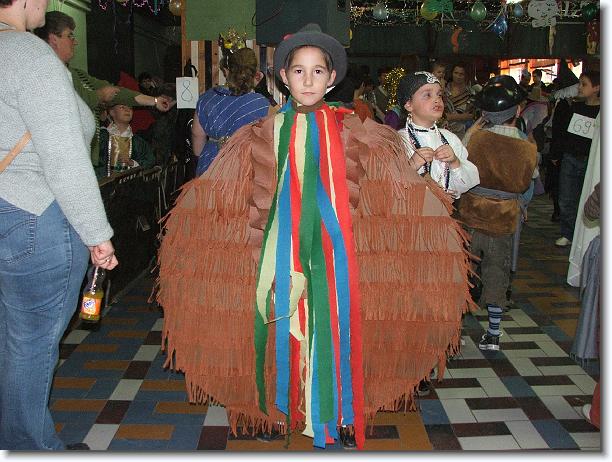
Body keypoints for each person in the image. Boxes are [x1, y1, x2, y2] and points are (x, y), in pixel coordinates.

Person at [156, 23, 474, 450]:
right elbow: (231, 190)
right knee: (277, 327)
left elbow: (386, 187)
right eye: (299, 71)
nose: (308, 80)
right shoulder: (259, 133)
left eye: (318, 71)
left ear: (332, 77)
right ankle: (278, 409)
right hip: (277, 253)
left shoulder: (358, 131)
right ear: (283, 78)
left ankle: (344, 411)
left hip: (339, 254)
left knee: (341, 327)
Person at [0, 0, 118, 450]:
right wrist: (97, 235)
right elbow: (64, 156)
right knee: (31, 345)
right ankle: (29, 448)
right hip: (33, 213)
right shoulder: (29, 54)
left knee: (10, 340)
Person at [33, 11, 173, 168]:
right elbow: (69, 107)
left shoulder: (76, 74)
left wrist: (154, 100)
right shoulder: (43, 74)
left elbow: (117, 93)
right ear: (54, 39)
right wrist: (98, 96)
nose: (75, 41)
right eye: (70, 36)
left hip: (80, 160)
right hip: (61, 161)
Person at [458, 75, 537, 351]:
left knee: (464, 271)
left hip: (470, 216)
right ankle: (492, 334)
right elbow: (529, 186)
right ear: (518, 110)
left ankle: (456, 330)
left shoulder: (475, 139)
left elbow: (460, 167)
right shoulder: (527, 147)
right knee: (497, 273)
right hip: (503, 221)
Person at [397, 71, 479, 198]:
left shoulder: (449, 138)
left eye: (439, 95)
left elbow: (465, 184)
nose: (436, 100)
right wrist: (411, 166)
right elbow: (385, 186)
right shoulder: (398, 141)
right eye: (427, 95)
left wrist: (455, 162)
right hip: (410, 209)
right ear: (409, 104)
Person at [191, 46, 270, 176]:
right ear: (253, 73)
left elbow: (197, 134)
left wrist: (201, 158)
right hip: (245, 168)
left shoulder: (207, 98)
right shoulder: (260, 103)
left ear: (226, 71)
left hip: (211, 166)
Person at [552, 70, 599, 248]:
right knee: (566, 198)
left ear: (597, 87)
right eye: (580, 83)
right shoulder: (575, 107)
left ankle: (582, 235)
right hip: (570, 157)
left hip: (590, 160)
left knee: (585, 198)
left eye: (584, 84)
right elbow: (563, 133)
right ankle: (567, 233)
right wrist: (558, 153)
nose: (579, 87)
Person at [97, 103, 156, 178]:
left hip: (130, 183)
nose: (127, 110)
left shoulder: (138, 142)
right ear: (112, 112)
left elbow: (150, 161)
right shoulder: (101, 137)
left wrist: (132, 163)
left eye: (130, 108)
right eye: (122, 107)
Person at [445, 63, 475, 138]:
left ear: (466, 76)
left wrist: (450, 117)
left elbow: (471, 115)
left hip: (463, 132)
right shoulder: (443, 89)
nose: (458, 76)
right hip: (444, 130)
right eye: (456, 73)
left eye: (461, 74)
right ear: (452, 73)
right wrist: (461, 116)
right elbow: (440, 115)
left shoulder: (470, 93)